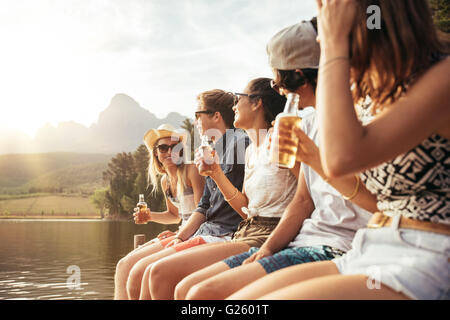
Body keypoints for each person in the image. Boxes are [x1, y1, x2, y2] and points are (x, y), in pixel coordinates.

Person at [230, 0, 450, 300]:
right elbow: (363, 194)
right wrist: (306, 156)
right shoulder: (377, 94)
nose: (322, 35)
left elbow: (341, 158)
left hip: (429, 253)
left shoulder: (441, 75)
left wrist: (334, 48)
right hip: (373, 245)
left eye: (330, 18)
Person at [175, 18, 377, 300]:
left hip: (334, 244)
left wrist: (314, 160)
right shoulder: (302, 126)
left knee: (201, 294)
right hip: (284, 236)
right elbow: (302, 200)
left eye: (279, 78)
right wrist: (268, 249)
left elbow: (376, 204)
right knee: (191, 291)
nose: (278, 87)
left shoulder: (359, 118)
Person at [143, 77, 299, 300]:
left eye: (239, 99)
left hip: (262, 234)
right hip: (245, 231)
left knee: (172, 280)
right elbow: (244, 209)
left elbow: (304, 198)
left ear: (257, 103)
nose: (234, 106)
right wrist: (215, 172)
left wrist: (270, 247)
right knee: (168, 279)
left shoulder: (276, 141)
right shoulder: (250, 150)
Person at [132, 89, 250, 299]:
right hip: (205, 229)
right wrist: (181, 235)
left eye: (198, 115)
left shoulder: (241, 143)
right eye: (162, 148)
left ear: (216, 116)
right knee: (136, 269)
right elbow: (204, 206)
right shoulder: (213, 149)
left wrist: (183, 234)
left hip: (224, 233)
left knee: (152, 271)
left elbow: (245, 206)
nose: (195, 121)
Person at [114, 124, 205, 300]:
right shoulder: (165, 181)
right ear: (156, 152)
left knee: (140, 269)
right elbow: (174, 216)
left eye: (174, 147)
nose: (169, 151)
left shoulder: (191, 170)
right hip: (184, 232)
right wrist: (150, 216)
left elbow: (203, 213)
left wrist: (181, 234)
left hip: (195, 233)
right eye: (163, 147)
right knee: (123, 265)